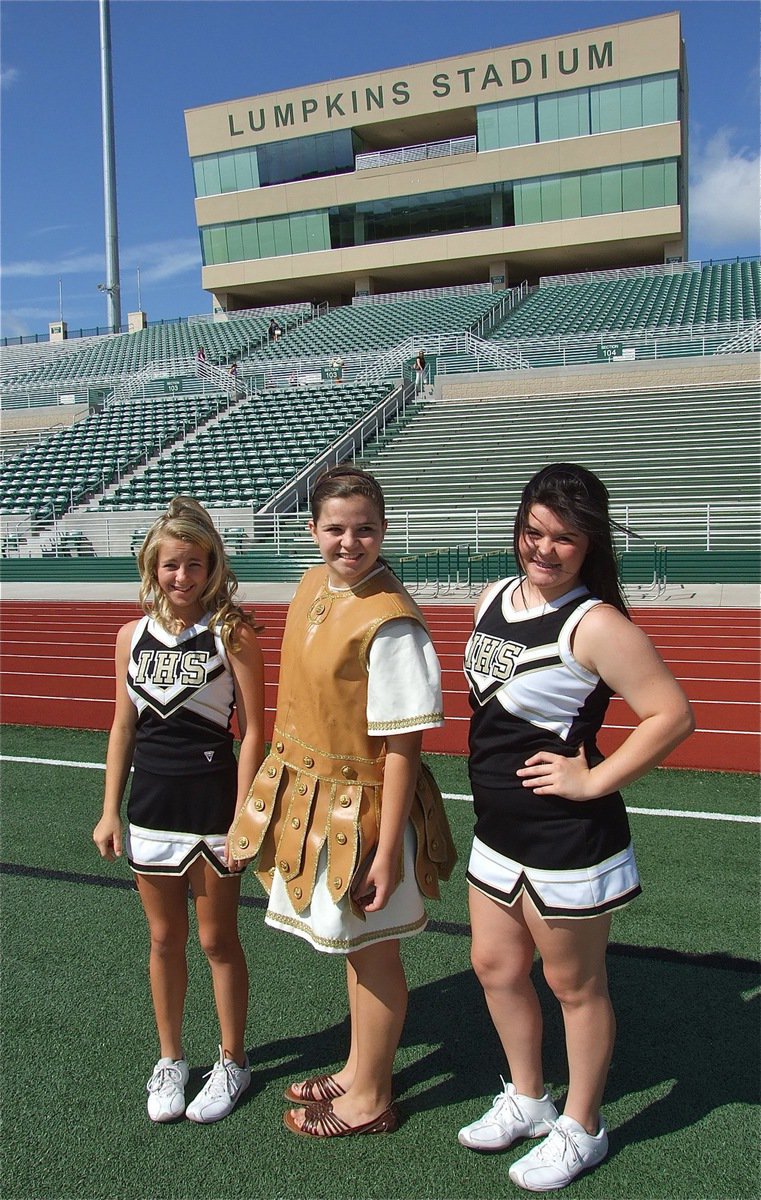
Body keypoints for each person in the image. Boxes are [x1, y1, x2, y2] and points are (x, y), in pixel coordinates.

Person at [458, 463, 694, 1191]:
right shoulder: (491, 595)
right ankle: (528, 1098)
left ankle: (583, 1126)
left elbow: (672, 715)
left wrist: (591, 778)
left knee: (573, 986)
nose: (544, 548)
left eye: (563, 537)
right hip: (497, 830)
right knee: (494, 968)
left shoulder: (596, 624)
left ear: (589, 543)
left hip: (566, 841)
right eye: (533, 532)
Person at [228, 464, 456, 1139]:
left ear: (384, 531)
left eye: (364, 530)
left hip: (364, 814)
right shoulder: (311, 582)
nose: (349, 543)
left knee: (375, 950)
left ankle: (371, 1099)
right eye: (335, 529)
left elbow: (402, 751)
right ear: (312, 530)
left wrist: (387, 853)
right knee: (355, 949)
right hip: (315, 800)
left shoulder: (390, 622)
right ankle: (359, 1068)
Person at [93, 496, 265, 1125]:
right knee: (163, 939)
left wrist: (246, 812)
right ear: (152, 567)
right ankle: (171, 1059)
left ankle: (232, 1059)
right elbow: (122, 727)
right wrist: (110, 809)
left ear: (212, 565)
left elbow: (252, 731)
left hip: (215, 807)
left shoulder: (232, 632)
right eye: (171, 565)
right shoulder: (129, 636)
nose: (183, 577)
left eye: (195, 564)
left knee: (218, 939)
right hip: (151, 807)